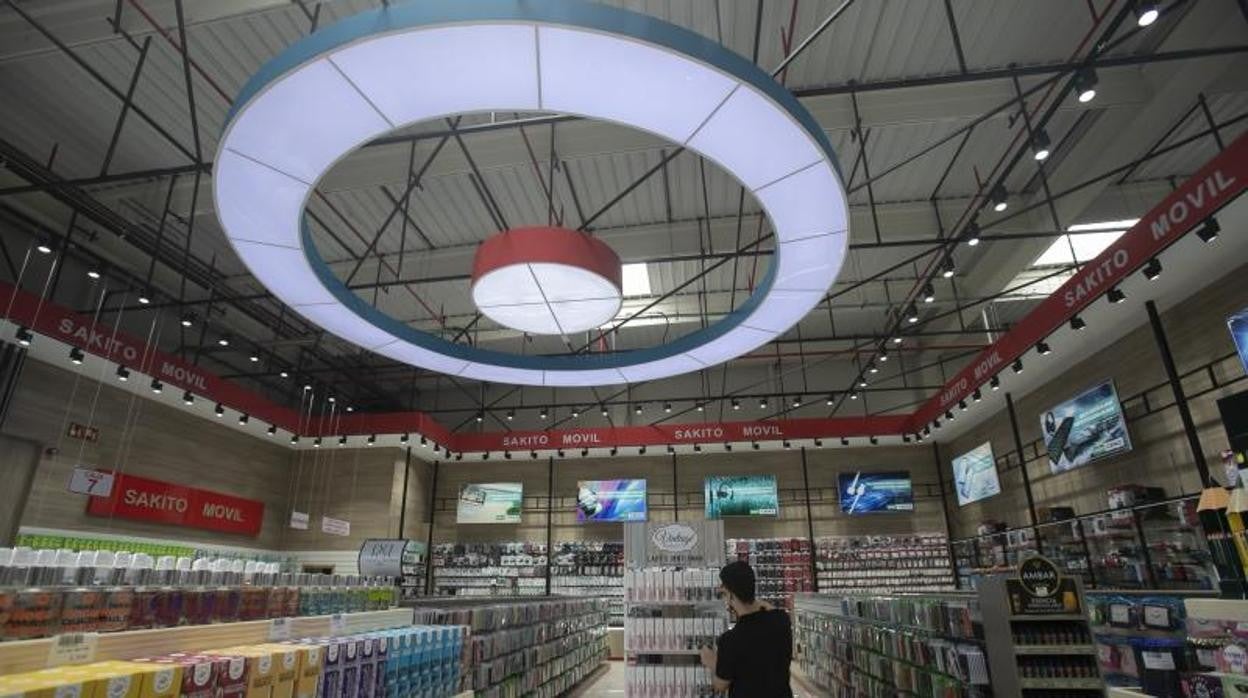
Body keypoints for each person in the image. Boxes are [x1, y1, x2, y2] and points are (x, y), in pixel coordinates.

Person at [698, 560, 794, 697]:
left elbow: (720, 685)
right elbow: (770, 609)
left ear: (730, 594)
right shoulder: (781, 620)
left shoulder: (730, 640)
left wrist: (712, 663)